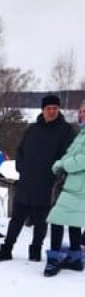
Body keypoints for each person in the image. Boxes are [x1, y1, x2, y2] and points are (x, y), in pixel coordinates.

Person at [0, 94, 75, 263]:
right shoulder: (33, 128)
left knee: (40, 220)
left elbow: (67, 156)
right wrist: (20, 166)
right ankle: (7, 248)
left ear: (58, 110)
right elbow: (20, 150)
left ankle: (35, 250)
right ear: (42, 110)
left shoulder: (65, 130)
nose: (51, 111)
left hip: (47, 182)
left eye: (55, 108)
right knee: (17, 217)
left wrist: (56, 174)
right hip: (26, 180)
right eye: (48, 108)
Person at [41, 101, 85, 276]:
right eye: (81, 111)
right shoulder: (82, 133)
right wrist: (61, 163)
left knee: (57, 218)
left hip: (78, 185)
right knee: (73, 220)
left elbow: (82, 160)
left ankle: (54, 258)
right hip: (74, 183)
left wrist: (62, 165)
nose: (82, 114)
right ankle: (75, 258)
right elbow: (70, 153)